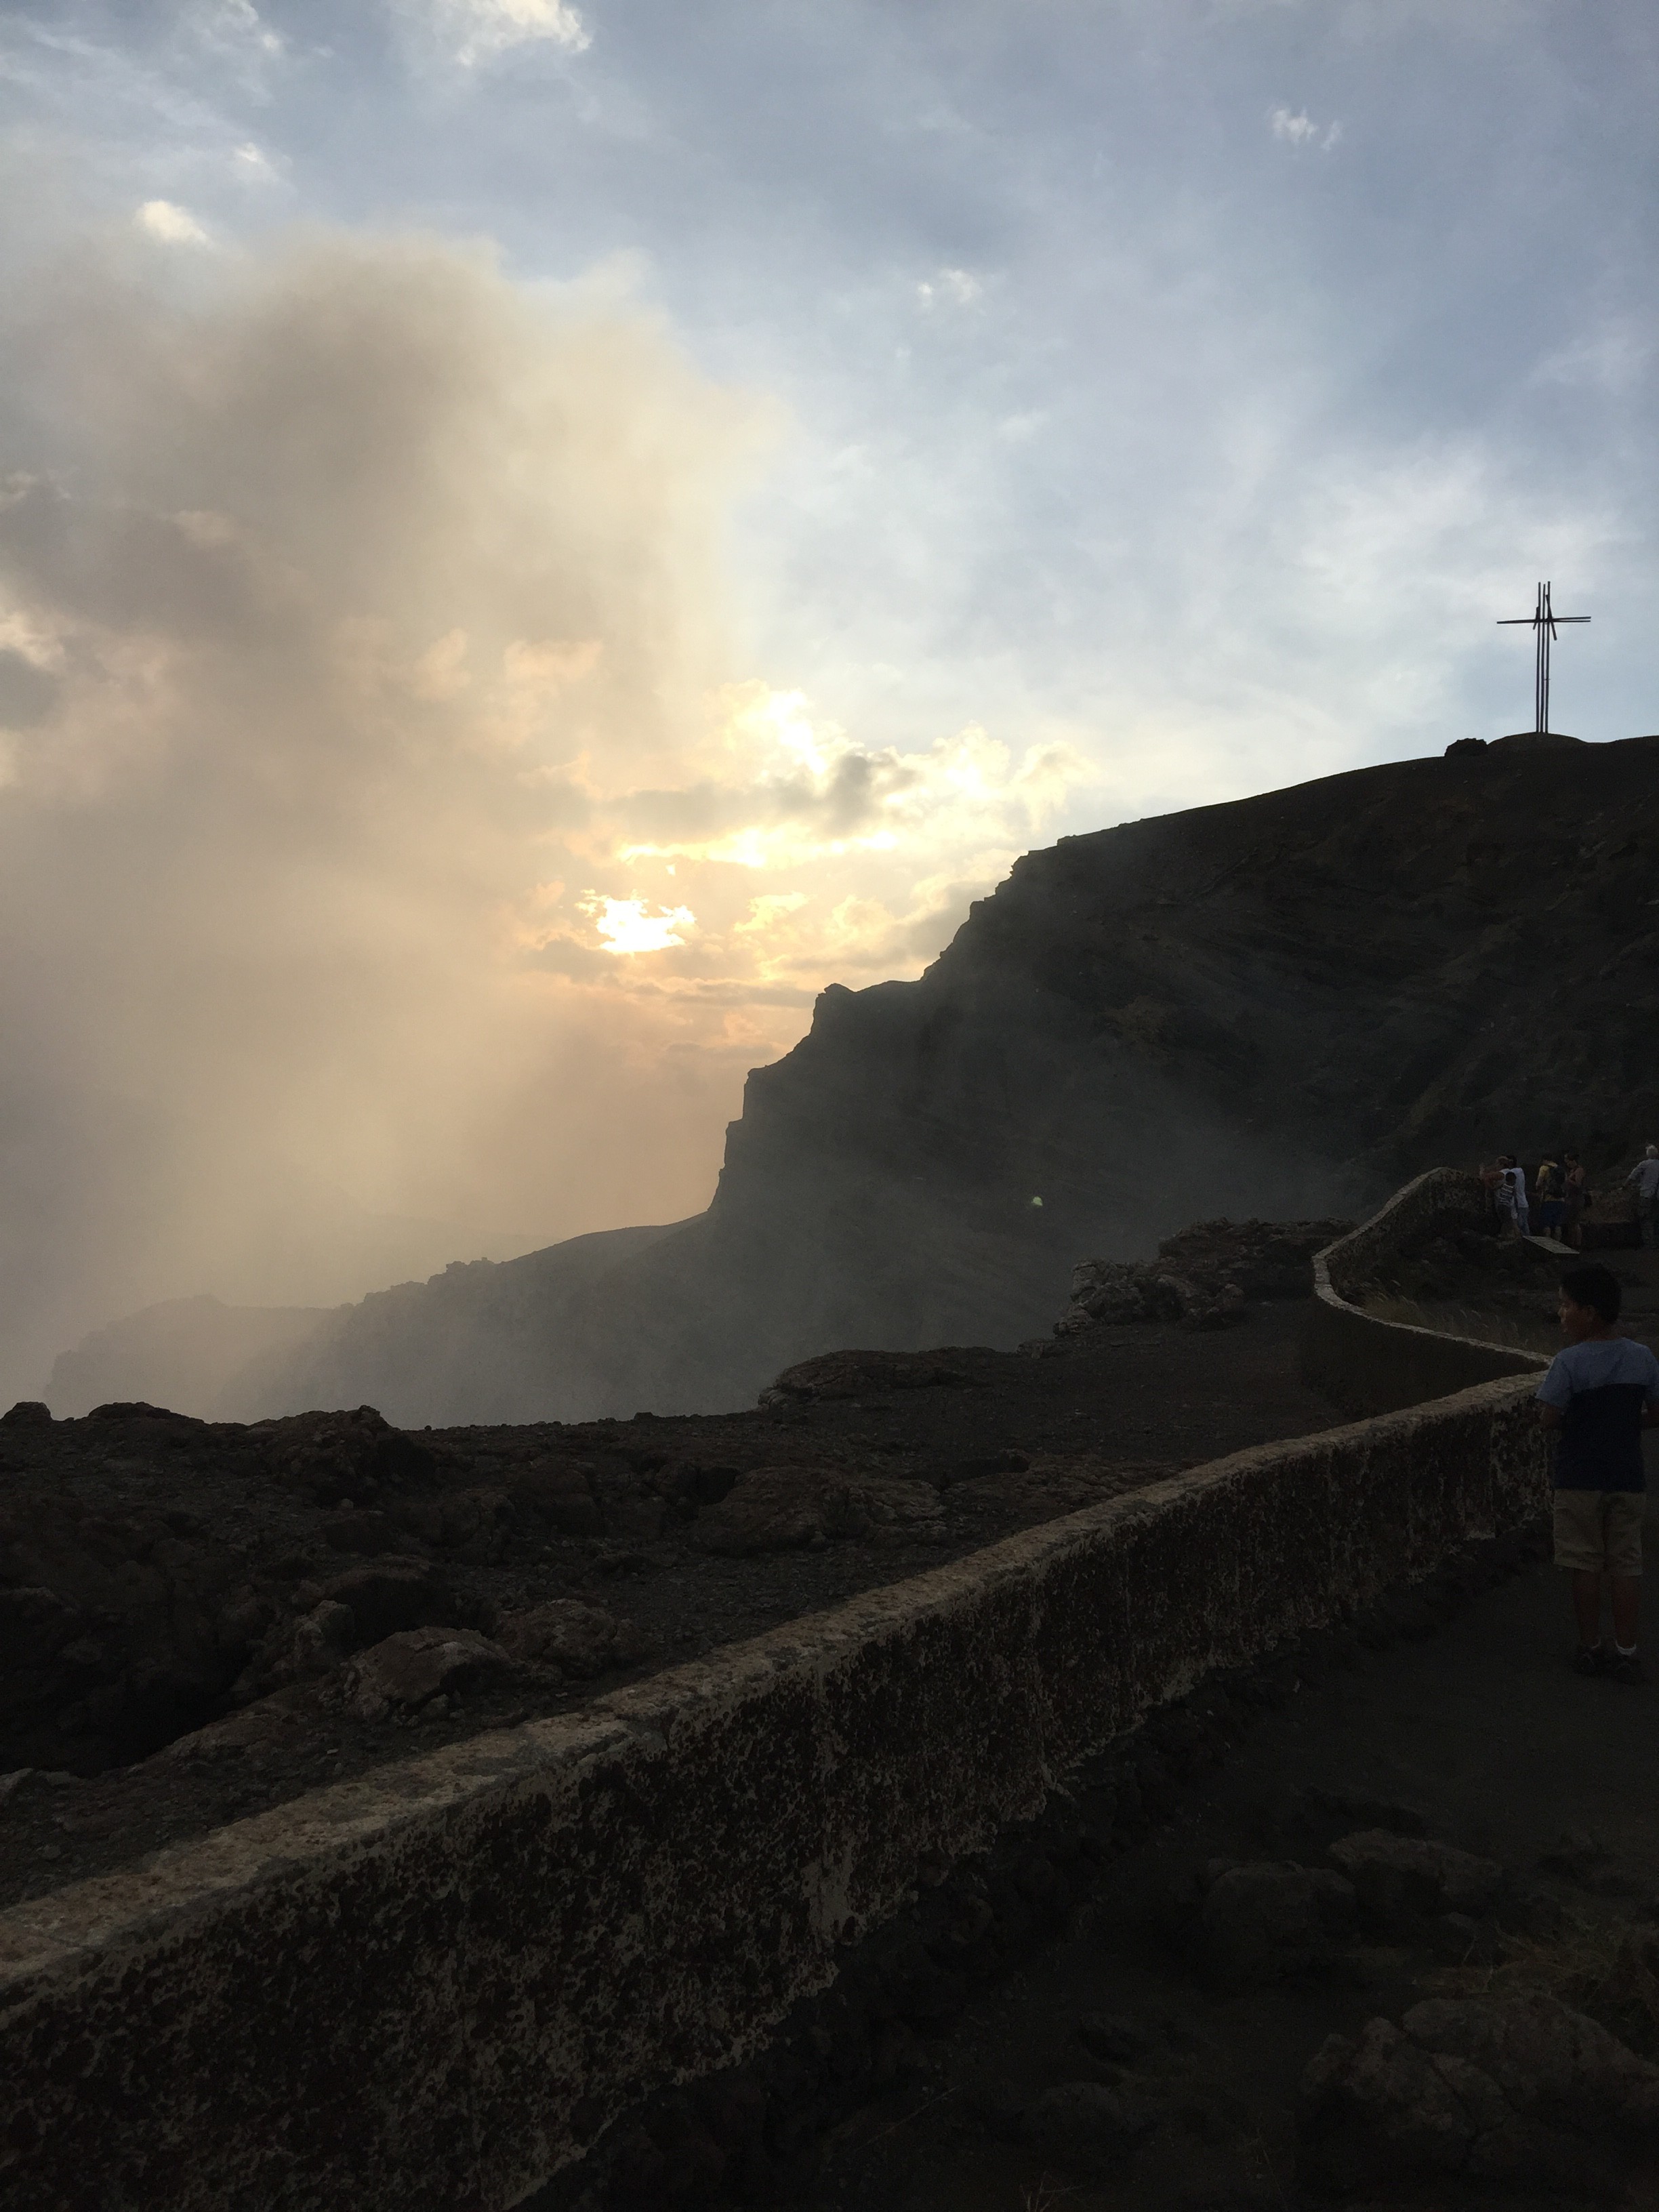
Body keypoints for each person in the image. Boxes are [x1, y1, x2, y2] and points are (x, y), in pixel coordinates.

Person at [1536, 1263, 1659, 1683]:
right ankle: (1627, 1652)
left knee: (1584, 1563)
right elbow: (1656, 1413)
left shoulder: (1568, 1363)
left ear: (1588, 1312)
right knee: (1626, 1564)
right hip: (1627, 1478)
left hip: (1579, 1479)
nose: (1561, 1314)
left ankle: (1591, 1646)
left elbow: (1549, 1418)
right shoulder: (1642, 1357)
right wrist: (1625, 1424)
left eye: (1565, 1305)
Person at [1626, 1145, 1659, 1250]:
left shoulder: (1644, 1164)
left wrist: (1625, 1186)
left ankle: (1649, 1244)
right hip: (1657, 1195)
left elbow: (1632, 1176)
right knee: (1655, 1219)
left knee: (1645, 1219)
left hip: (1646, 1194)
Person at [1561, 1153, 1589, 1250]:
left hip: (1577, 1199)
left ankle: (1578, 1244)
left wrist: (1568, 1180)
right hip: (1570, 1198)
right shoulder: (1572, 1170)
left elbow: (1578, 1185)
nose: (1567, 1164)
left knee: (1575, 1222)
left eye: (1568, 1161)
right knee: (1570, 1222)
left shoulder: (1579, 1170)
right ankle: (1571, 1243)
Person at [1535, 1154, 1566, 1237]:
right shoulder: (1561, 1169)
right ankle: (1558, 1244)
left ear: (1544, 1160)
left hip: (1548, 1199)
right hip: (1561, 1199)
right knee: (1557, 1225)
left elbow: (1538, 1184)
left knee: (1546, 1224)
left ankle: (1547, 1245)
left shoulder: (1544, 1168)